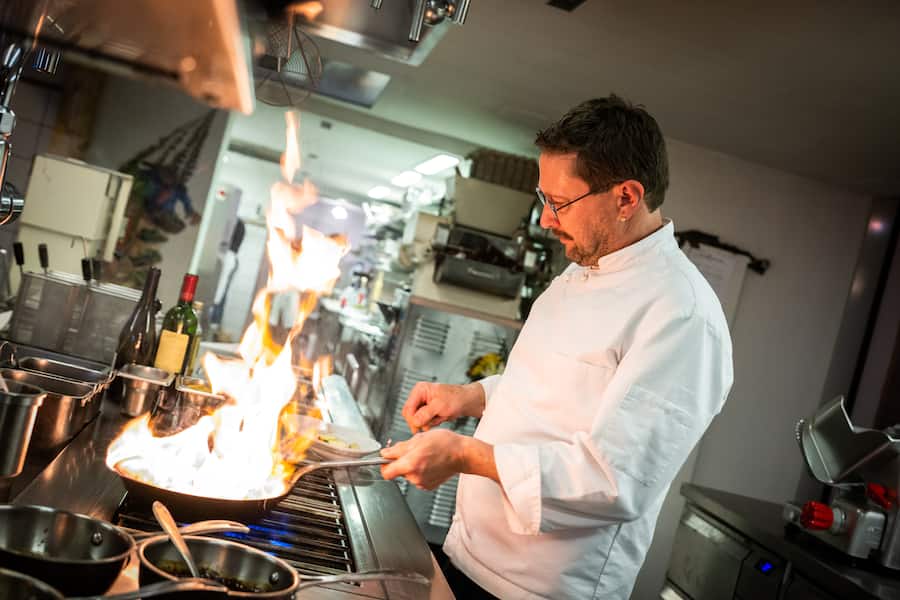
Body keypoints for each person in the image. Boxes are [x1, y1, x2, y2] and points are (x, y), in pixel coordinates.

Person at [380, 95, 734, 599]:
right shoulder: (581, 271)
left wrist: (464, 453)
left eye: (560, 203)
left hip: (541, 586)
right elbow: (556, 388)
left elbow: (613, 478)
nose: (546, 220)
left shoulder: (683, 315)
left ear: (626, 198)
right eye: (544, 200)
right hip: (469, 550)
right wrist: (471, 398)